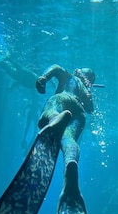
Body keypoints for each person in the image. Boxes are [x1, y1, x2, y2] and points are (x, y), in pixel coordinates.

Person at [35, 64, 95, 202]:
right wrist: (89, 98)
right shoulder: (85, 90)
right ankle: (70, 162)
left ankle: (54, 118)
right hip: (79, 113)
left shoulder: (70, 77)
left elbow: (56, 67)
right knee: (68, 138)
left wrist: (43, 78)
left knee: (45, 118)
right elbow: (90, 110)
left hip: (63, 98)